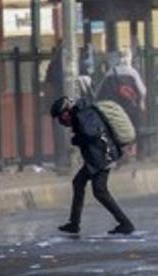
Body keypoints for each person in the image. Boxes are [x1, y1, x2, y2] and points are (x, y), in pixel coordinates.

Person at [50, 96, 135, 235]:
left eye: (61, 117)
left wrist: (77, 139)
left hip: (102, 157)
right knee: (79, 183)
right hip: (97, 158)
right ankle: (74, 223)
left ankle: (126, 224)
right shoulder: (82, 113)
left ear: (66, 111)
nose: (61, 121)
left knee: (99, 191)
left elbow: (92, 133)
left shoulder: (83, 114)